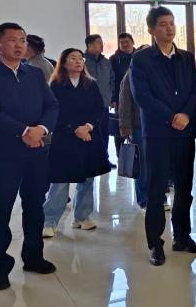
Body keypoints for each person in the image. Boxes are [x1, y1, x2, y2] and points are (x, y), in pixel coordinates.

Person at [0, 22, 60, 291]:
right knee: (0, 211)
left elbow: (52, 105)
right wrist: (24, 131)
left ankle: (33, 257)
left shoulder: (34, 73)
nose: (19, 45)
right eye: (12, 40)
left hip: (36, 151)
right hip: (3, 155)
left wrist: (41, 130)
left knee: (34, 207)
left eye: (22, 40)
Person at [129, 7, 196, 266]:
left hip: (185, 132)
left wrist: (185, 114)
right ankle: (155, 243)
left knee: (184, 186)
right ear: (151, 30)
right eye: (163, 24)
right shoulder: (141, 60)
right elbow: (142, 96)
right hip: (158, 134)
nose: (169, 28)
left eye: (172, 23)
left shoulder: (186, 57)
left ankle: (182, 237)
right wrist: (171, 116)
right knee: (156, 188)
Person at [42, 49, 112, 237]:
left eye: (80, 58)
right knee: (60, 181)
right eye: (73, 58)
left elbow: (99, 109)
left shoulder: (90, 84)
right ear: (64, 63)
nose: (78, 61)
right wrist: (75, 128)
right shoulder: (56, 85)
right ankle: (49, 221)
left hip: (88, 136)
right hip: (65, 138)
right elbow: (54, 112)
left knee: (88, 178)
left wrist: (87, 127)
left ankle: (82, 216)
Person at [117, 63, 148, 209]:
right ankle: (144, 199)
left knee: (158, 163)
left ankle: (158, 197)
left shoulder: (158, 72)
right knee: (142, 164)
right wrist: (125, 127)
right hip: (138, 125)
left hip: (158, 125)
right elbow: (124, 102)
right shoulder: (131, 75)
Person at [84, 34, 115, 162]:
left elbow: (112, 80)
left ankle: (104, 159)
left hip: (104, 104)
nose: (101, 45)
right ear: (89, 45)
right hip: (88, 107)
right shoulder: (82, 62)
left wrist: (111, 96)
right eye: (98, 43)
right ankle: (90, 160)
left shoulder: (106, 62)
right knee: (90, 133)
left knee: (104, 132)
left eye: (102, 43)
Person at [110, 32, 136, 154]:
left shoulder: (139, 56)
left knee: (137, 125)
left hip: (138, 98)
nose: (125, 44)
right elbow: (112, 80)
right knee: (121, 126)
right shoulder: (114, 59)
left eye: (127, 42)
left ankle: (137, 154)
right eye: (122, 42)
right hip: (121, 98)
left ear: (133, 42)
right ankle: (121, 155)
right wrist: (113, 99)